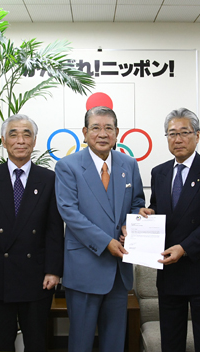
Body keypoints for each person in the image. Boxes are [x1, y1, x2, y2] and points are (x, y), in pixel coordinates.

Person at [55, 106, 145, 352]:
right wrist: (106, 242)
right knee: (81, 342)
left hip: (118, 272)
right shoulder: (68, 166)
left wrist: (134, 221)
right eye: (96, 127)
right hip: (84, 267)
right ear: (85, 133)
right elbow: (70, 213)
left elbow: (138, 202)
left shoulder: (129, 163)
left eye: (109, 128)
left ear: (117, 133)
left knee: (114, 342)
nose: (102, 133)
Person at [139, 108, 200, 352]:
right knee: (171, 338)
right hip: (169, 270)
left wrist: (185, 248)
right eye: (171, 134)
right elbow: (159, 207)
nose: (177, 139)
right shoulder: (160, 172)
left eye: (184, 133)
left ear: (197, 135)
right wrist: (149, 213)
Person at [0, 114, 64, 352]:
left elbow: (54, 230)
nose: (20, 140)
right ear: (3, 141)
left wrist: (54, 270)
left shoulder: (49, 178)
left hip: (37, 277)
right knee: (2, 342)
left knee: (36, 342)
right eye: (13, 134)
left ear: (34, 141)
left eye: (27, 134)